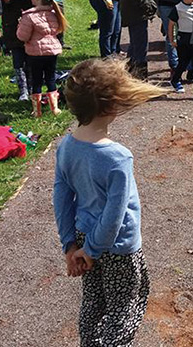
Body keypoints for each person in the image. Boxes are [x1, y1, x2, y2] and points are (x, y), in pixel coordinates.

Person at [53, 58, 165, 347]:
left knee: (93, 303)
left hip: (83, 238)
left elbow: (61, 197)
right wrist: (92, 249)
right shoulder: (117, 157)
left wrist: (71, 246)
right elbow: (115, 215)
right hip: (118, 247)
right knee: (125, 305)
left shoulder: (66, 146)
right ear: (112, 106)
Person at [0, 0, 47, 101]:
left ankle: (34, 88)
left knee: (31, 57)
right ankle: (23, 90)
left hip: (30, 22)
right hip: (12, 23)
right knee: (17, 59)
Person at [16, 0, 68, 117]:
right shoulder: (54, 13)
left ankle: (37, 110)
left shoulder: (29, 16)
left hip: (35, 53)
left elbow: (23, 36)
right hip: (52, 51)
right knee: (51, 78)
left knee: (37, 80)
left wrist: (19, 25)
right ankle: (54, 108)